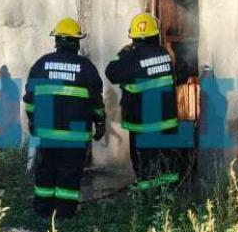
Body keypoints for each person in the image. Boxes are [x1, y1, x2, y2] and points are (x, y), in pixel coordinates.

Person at [23, 18, 105, 219]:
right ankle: (64, 214)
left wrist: (33, 122)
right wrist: (100, 123)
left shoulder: (41, 65)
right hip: (75, 137)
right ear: (76, 42)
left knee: (45, 172)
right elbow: (96, 102)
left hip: (46, 133)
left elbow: (30, 99)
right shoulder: (87, 68)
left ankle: (43, 212)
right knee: (69, 173)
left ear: (57, 40)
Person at [105, 13, 187, 191]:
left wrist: (124, 53)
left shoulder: (131, 58)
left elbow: (111, 72)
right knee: (167, 163)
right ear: (155, 34)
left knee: (145, 166)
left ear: (133, 37)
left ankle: (148, 202)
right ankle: (169, 198)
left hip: (143, 125)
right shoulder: (165, 55)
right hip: (166, 123)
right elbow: (182, 73)